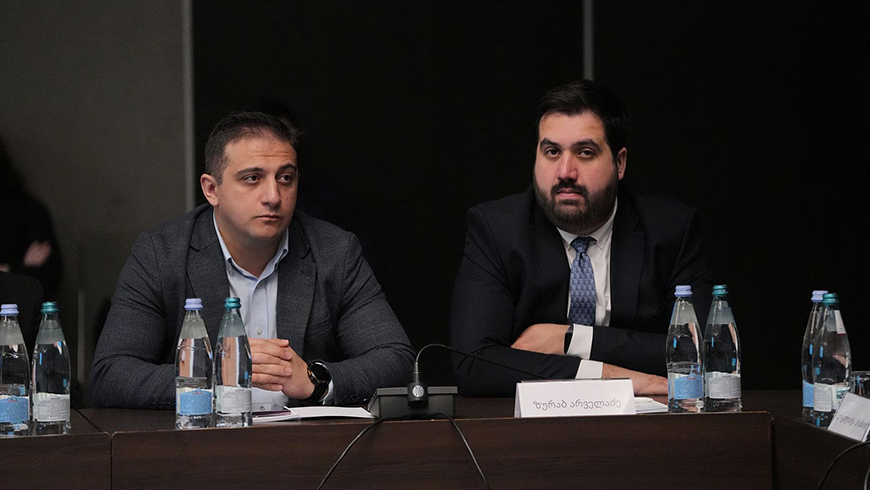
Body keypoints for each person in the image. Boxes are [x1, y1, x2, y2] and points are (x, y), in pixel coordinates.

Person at [90, 111, 415, 410]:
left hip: (306, 444)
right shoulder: (161, 254)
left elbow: (396, 360)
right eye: (252, 178)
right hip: (203, 444)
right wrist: (215, 375)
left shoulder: (334, 251)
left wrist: (315, 381)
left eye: (285, 178)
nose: (273, 196)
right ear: (211, 189)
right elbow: (111, 374)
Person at [450, 79, 713, 397]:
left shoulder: (669, 230)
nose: (565, 172)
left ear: (619, 163)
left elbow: (704, 352)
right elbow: (474, 364)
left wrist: (572, 339)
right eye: (551, 152)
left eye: (585, 153)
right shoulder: (498, 230)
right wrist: (610, 378)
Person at [0, 137, 63, 297]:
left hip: (19, 310)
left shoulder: (27, 211)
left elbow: (47, 278)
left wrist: (11, 270)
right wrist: (18, 268)